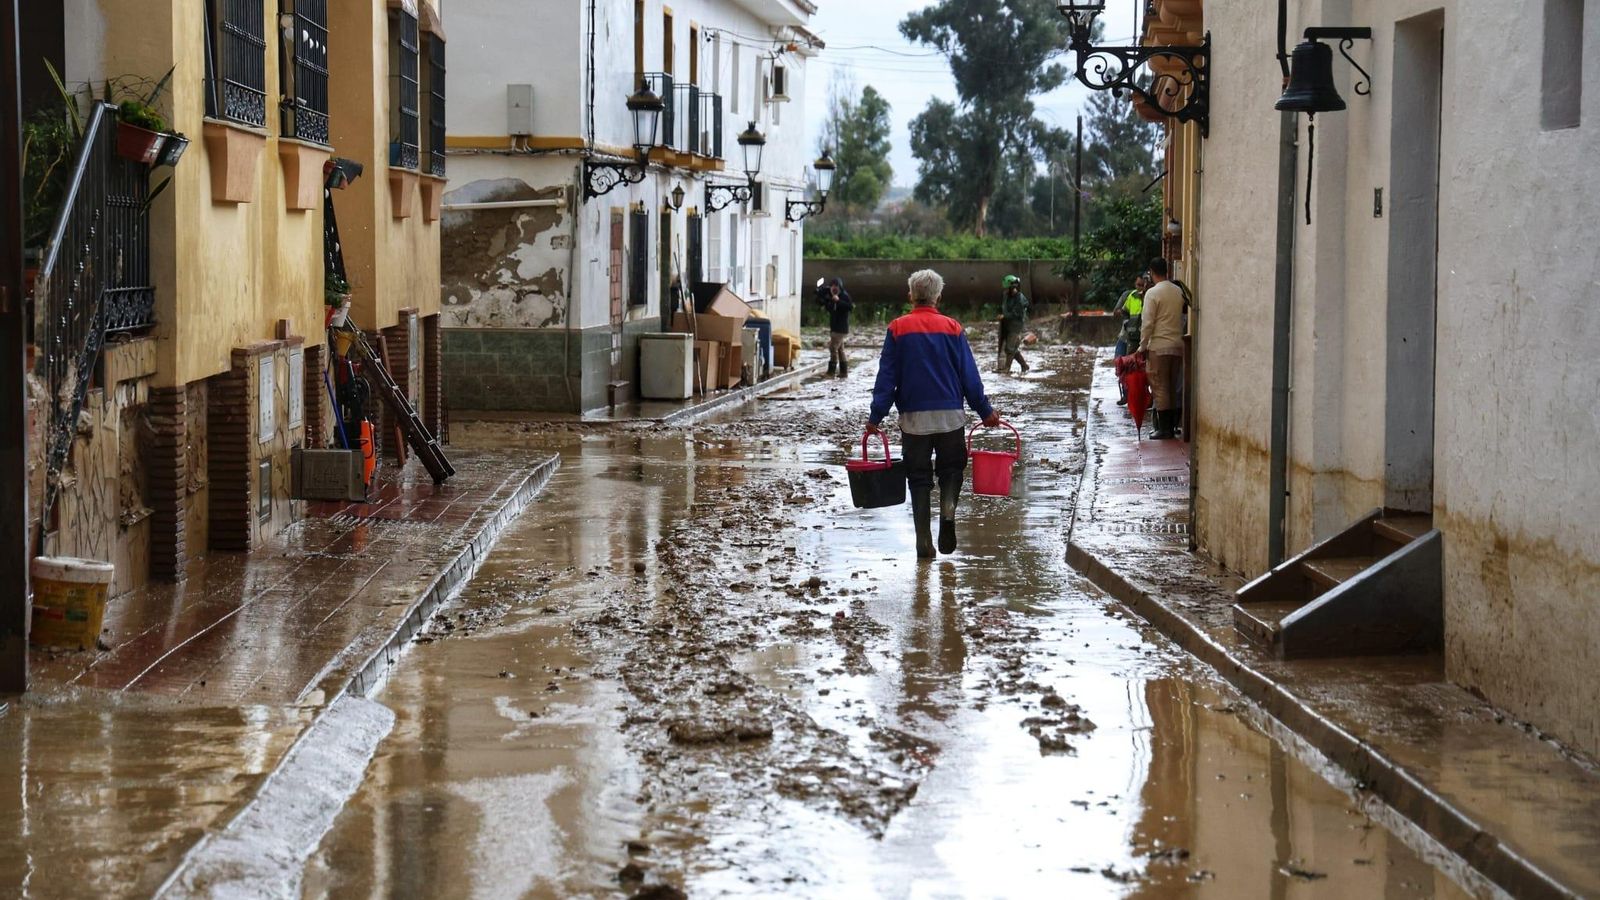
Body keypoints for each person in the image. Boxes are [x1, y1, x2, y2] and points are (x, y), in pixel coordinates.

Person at [869, 269, 1001, 559]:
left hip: (913, 419)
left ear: (910, 296)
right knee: (951, 470)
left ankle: (923, 541)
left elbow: (886, 378)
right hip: (950, 416)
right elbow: (969, 376)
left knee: (918, 477)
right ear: (938, 297)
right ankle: (948, 513)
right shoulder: (953, 328)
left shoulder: (897, 329)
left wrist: (875, 417)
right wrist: (985, 411)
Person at [1137, 258, 1185, 439]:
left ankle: (1164, 429)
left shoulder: (1152, 293)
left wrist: (1142, 346)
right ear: (1167, 270)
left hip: (1159, 347)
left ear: (1151, 272)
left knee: (1160, 387)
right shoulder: (1178, 291)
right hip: (1177, 346)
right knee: (1172, 387)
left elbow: (1147, 323)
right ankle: (1172, 426)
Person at [1113, 274, 1148, 407]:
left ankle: (1142, 396)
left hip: (1142, 339)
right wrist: (1127, 322)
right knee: (1123, 365)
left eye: (1142, 285)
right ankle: (1126, 394)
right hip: (1127, 337)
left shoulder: (1150, 297)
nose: (1140, 288)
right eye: (1138, 285)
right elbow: (1121, 311)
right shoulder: (1130, 296)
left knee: (1141, 368)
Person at [819, 277, 853, 377]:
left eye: (836, 286)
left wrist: (838, 301)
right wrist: (827, 301)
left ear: (840, 287)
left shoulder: (844, 296)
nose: (834, 288)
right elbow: (830, 308)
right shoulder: (831, 296)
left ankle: (831, 372)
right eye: (832, 286)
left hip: (841, 328)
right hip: (834, 327)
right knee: (840, 350)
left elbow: (850, 307)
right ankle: (843, 372)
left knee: (833, 348)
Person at [998, 275, 1031, 375]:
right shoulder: (1006, 295)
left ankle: (1007, 368)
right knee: (1011, 348)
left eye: (1007, 288)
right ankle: (1024, 366)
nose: (1005, 290)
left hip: (1016, 325)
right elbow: (1004, 307)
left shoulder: (1019, 298)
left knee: (1010, 348)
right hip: (1007, 324)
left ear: (1012, 288)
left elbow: (1017, 314)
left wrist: (1005, 316)